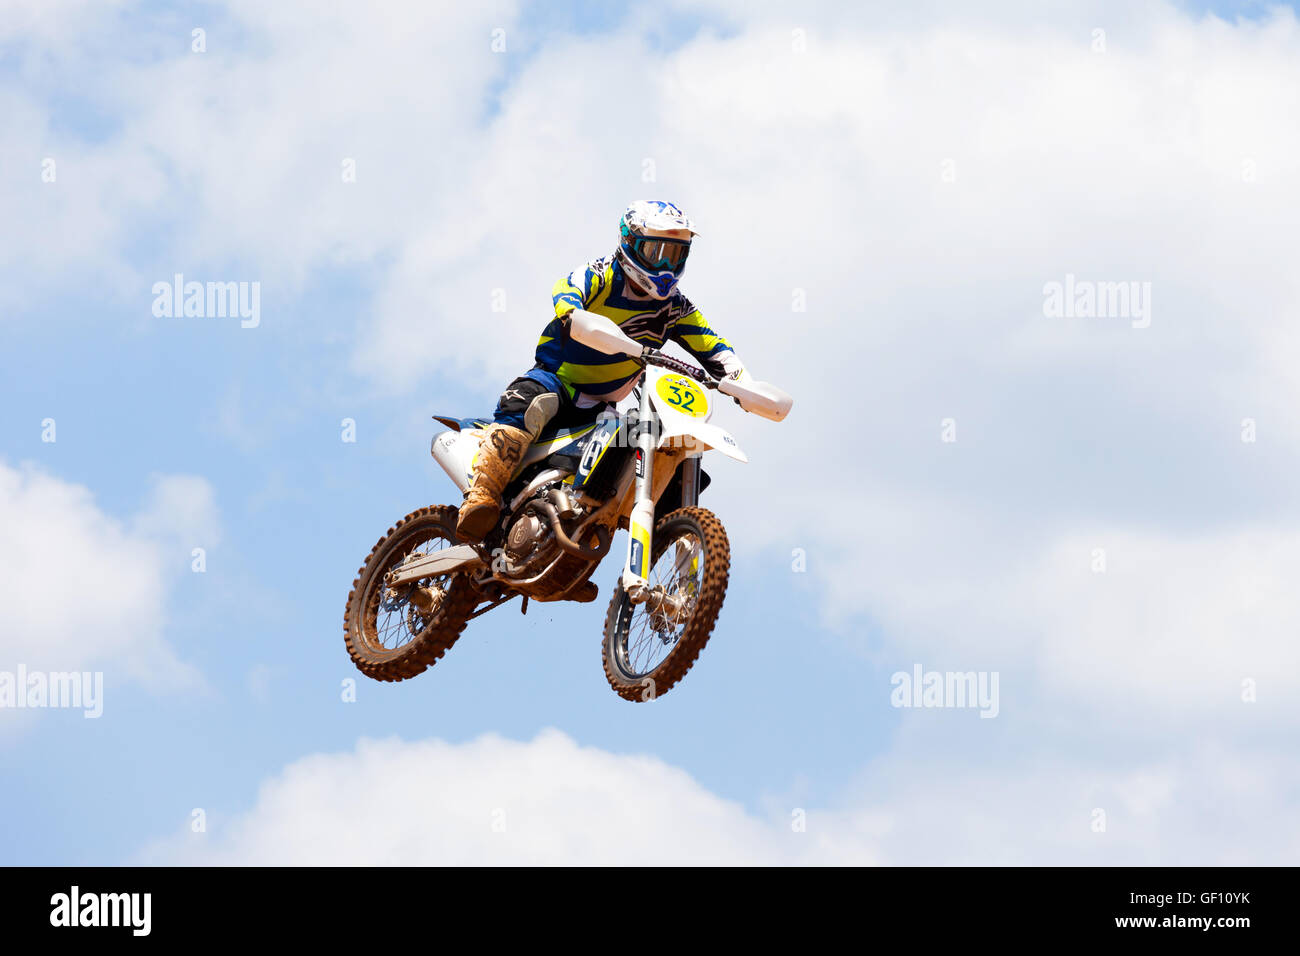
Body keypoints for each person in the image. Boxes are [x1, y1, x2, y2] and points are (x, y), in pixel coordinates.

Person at [455, 200, 751, 549]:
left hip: (603, 407)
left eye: (676, 254)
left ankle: (595, 547)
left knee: (643, 446)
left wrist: (745, 384)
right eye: (656, 251)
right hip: (557, 380)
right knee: (529, 403)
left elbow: (715, 347)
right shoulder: (597, 275)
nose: (666, 264)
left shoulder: (676, 308)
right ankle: (482, 497)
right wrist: (583, 320)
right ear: (630, 243)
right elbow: (567, 300)